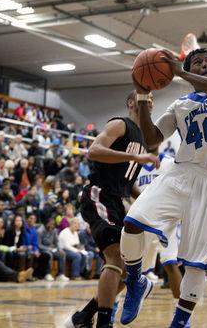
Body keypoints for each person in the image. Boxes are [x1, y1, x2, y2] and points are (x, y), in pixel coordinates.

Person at [120, 47, 207, 328]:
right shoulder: (180, 104)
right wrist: (142, 96)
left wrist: (180, 72)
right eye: (197, 62)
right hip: (180, 173)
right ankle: (136, 281)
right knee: (133, 221)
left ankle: (180, 322)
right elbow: (152, 140)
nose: (205, 65)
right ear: (188, 69)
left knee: (196, 263)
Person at [64, 91, 158, 328]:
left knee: (128, 268)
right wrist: (132, 156)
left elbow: (128, 183)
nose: (149, 101)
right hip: (99, 194)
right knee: (116, 256)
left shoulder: (145, 139)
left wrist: (152, 203)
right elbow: (94, 151)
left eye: (152, 99)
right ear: (131, 103)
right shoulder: (120, 124)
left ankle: (83, 317)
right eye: (145, 97)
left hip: (117, 200)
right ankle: (103, 323)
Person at [137, 151, 183, 301]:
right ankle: (114, 303)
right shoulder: (136, 164)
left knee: (170, 263)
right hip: (143, 221)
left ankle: (181, 311)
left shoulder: (170, 163)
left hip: (165, 222)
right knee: (135, 270)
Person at [38, 218, 69, 282]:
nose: (52, 226)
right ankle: (47, 274)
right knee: (49, 254)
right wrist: (50, 249)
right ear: (46, 224)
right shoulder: (40, 231)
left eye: (53, 224)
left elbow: (57, 242)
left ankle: (60, 275)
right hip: (42, 250)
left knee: (62, 254)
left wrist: (59, 249)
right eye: (50, 224)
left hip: (52, 249)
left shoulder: (54, 230)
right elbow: (39, 245)